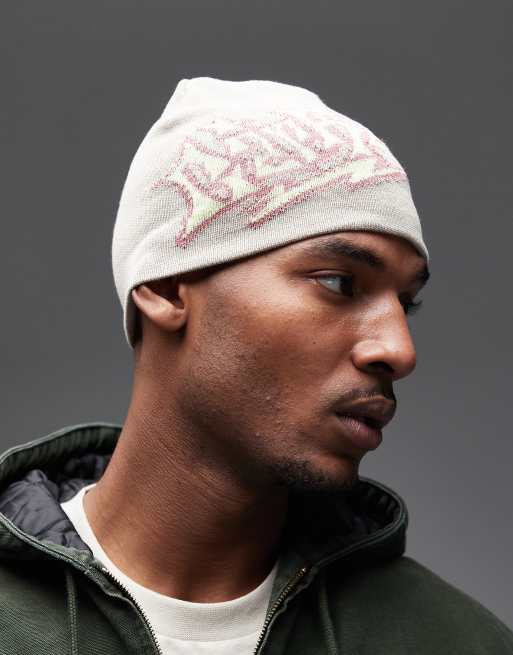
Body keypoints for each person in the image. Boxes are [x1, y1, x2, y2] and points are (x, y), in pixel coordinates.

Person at [0, 77, 511, 655]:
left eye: (406, 303)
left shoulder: (454, 642)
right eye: (339, 283)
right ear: (167, 287)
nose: (399, 349)